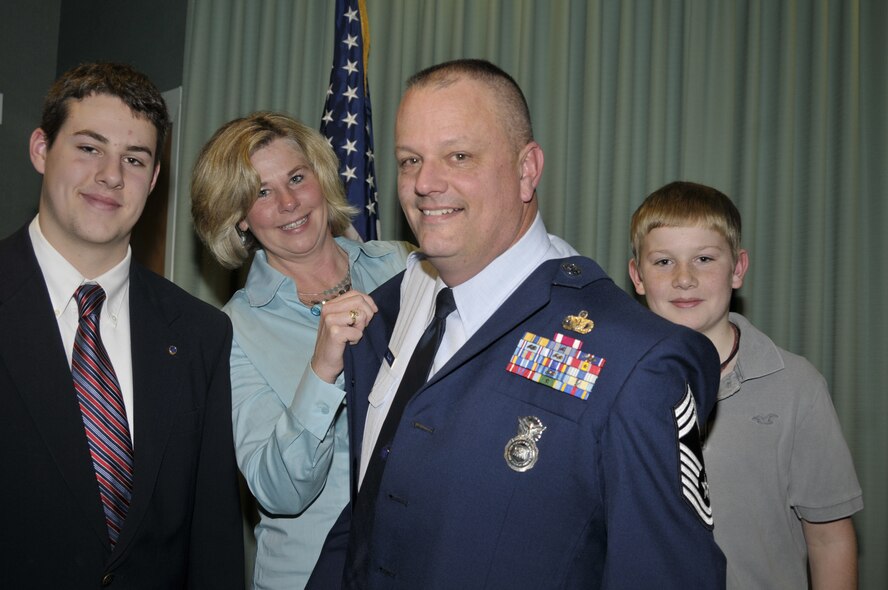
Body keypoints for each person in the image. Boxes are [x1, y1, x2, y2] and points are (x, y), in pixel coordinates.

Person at [309, 59, 726, 589]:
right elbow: (372, 508)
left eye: (458, 156)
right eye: (410, 159)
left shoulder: (633, 360)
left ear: (527, 170)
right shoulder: (388, 312)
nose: (424, 183)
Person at [0, 62, 243, 587]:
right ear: (41, 149)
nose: (111, 175)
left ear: (154, 179)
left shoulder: (200, 333)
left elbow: (214, 537)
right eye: (89, 148)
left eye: (134, 159)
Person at [190, 111, 412, 589]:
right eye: (261, 193)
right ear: (239, 218)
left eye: (296, 178)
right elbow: (279, 491)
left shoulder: (402, 267)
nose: (289, 202)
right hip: (309, 574)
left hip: (415, 559)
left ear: (321, 178)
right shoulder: (231, 330)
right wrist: (322, 369)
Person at [628, 180, 863, 589]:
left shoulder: (795, 387)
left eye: (704, 258)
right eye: (664, 262)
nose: (684, 278)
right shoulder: (614, 383)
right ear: (637, 276)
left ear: (737, 269)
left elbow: (829, 538)